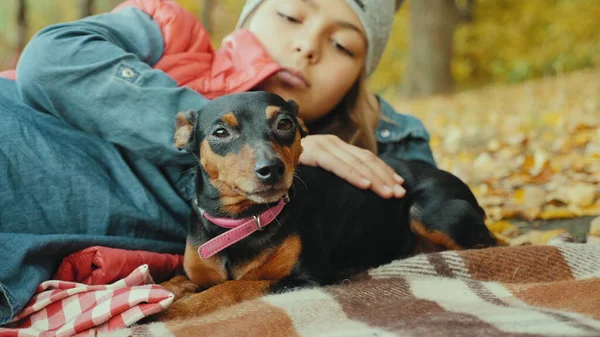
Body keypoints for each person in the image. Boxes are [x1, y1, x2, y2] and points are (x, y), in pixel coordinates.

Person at [0, 0, 435, 324]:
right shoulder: (172, 33)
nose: (306, 46)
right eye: (290, 15)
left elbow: (418, 199)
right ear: (248, 18)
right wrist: (209, 125)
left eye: (342, 44)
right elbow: (51, 58)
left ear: (360, 77)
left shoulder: (350, 156)